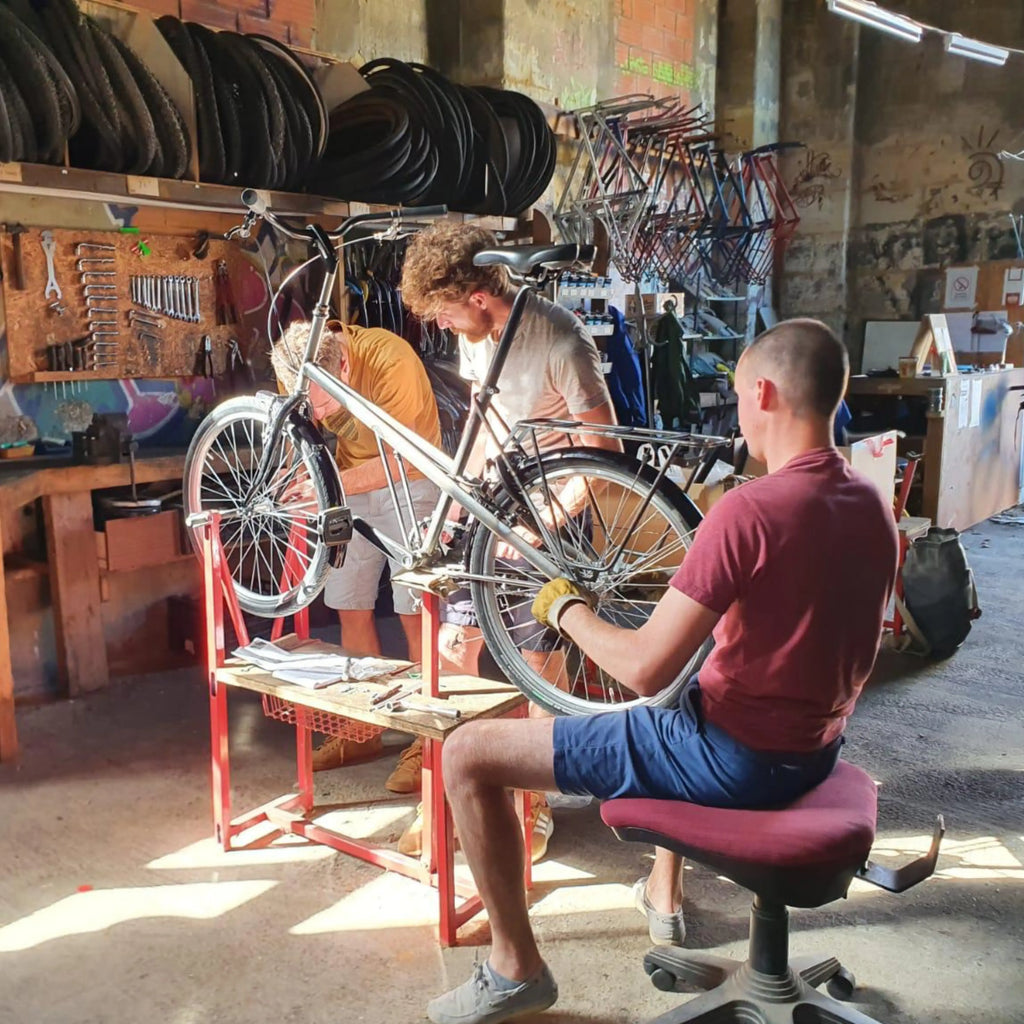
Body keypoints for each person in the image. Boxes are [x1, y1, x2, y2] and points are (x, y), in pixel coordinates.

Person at [422, 318, 900, 1024]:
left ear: (761, 392)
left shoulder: (747, 512)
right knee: (687, 680)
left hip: (730, 758)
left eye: (740, 395)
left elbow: (644, 669)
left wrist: (567, 613)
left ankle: (514, 968)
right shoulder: (872, 505)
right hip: (814, 751)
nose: (740, 411)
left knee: (465, 754)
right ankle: (659, 890)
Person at [391, 221, 621, 860]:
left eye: (442, 311)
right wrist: (465, 499)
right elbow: (489, 423)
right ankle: (439, 799)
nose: (439, 324)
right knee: (454, 648)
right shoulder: (477, 334)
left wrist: (540, 527)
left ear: (480, 296)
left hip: (555, 517)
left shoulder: (562, 342)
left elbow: (605, 453)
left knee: (537, 669)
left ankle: (534, 806)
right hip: (491, 510)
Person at [270, 317, 443, 771]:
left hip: (413, 480)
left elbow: (404, 460)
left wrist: (328, 485)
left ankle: (425, 742)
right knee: (349, 602)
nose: (321, 416)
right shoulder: (300, 360)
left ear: (343, 367)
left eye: (325, 404)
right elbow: (296, 427)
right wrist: (296, 480)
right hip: (352, 485)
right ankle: (363, 730)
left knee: (414, 610)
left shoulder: (391, 361)